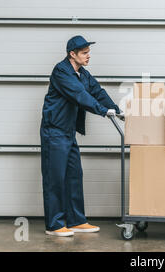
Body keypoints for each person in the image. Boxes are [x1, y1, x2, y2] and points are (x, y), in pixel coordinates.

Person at [40, 35, 124, 237]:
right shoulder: (61, 72)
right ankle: (54, 224)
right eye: (84, 53)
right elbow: (80, 95)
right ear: (72, 54)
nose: (88, 56)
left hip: (68, 133)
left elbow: (96, 91)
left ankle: (77, 220)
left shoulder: (83, 74)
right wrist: (102, 111)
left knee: (74, 176)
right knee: (55, 179)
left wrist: (115, 109)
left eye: (89, 52)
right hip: (54, 132)